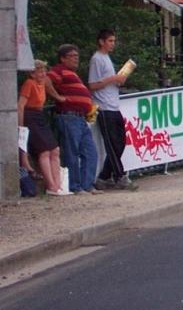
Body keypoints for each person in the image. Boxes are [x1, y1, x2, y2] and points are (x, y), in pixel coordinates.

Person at [48, 43, 102, 194]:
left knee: (90, 152)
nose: (76, 59)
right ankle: (75, 186)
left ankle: (87, 184)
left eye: (77, 56)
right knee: (72, 152)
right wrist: (58, 97)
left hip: (80, 117)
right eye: (72, 56)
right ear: (62, 58)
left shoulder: (72, 73)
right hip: (69, 116)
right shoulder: (59, 70)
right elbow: (46, 81)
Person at [89, 29, 136, 191]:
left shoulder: (107, 58)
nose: (112, 44)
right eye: (110, 41)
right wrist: (113, 78)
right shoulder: (97, 59)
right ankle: (119, 175)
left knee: (120, 142)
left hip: (113, 105)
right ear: (101, 42)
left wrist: (118, 80)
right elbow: (93, 84)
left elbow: (107, 82)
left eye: (114, 41)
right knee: (112, 143)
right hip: (103, 107)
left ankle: (104, 176)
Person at [17, 59, 71, 196]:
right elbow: (21, 105)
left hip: (39, 115)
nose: (42, 74)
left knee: (55, 150)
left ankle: (58, 185)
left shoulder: (42, 83)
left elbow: (50, 88)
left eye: (43, 71)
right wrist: (21, 125)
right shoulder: (29, 83)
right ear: (32, 73)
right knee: (44, 151)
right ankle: (51, 185)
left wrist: (59, 97)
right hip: (30, 116)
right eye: (39, 71)